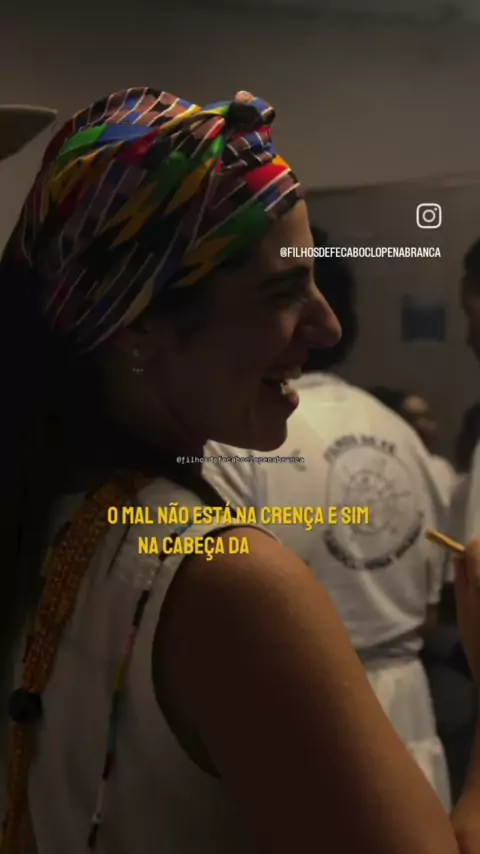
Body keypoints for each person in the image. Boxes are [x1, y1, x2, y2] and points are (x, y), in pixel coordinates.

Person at [0, 87, 479, 854]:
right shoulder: (229, 585)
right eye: (283, 290)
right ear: (139, 327)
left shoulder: (47, 517)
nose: (329, 327)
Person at [206, 231, 451, 810]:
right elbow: (433, 606)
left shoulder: (245, 439)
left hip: (310, 719)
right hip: (411, 713)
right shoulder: (397, 432)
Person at [369, 386, 458, 506]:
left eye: (427, 417)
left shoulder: (443, 471)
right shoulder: (381, 469)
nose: (422, 425)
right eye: (411, 419)